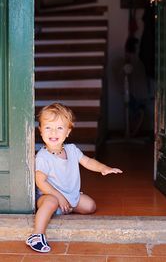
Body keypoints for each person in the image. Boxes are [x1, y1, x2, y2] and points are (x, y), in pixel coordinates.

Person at [26, 103, 123, 253]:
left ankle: (63, 209)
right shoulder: (42, 157)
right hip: (48, 196)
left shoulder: (72, 150)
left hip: (69, 195)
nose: (53, 132)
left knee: (90, 206)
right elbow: (40, 182)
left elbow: (88, 161)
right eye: (48, 127)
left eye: (59, 128)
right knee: (50, 202)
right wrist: (59, 197)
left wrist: (104, 168)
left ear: (68, 132)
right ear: (40, 131)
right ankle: (37, 234)